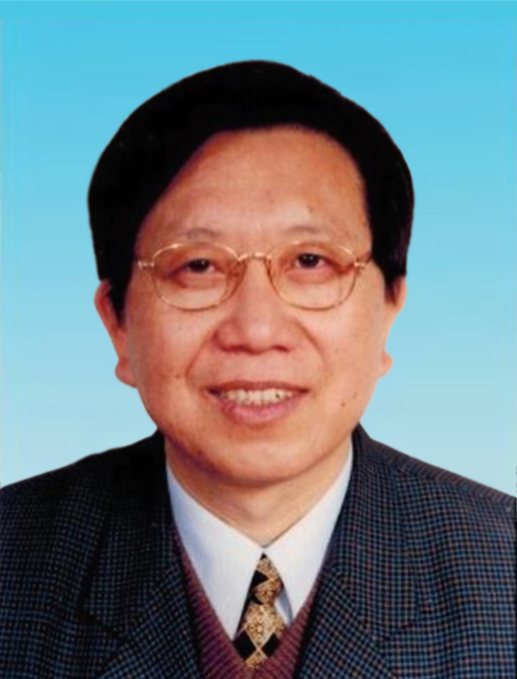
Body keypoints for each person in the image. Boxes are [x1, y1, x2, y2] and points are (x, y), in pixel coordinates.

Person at [1, 61, 514, 679]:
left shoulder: (502, 573)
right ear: (117, 323)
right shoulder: (13, 566)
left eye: (310, 261)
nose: (256, 330)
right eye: (197, 267)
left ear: (389, 308)